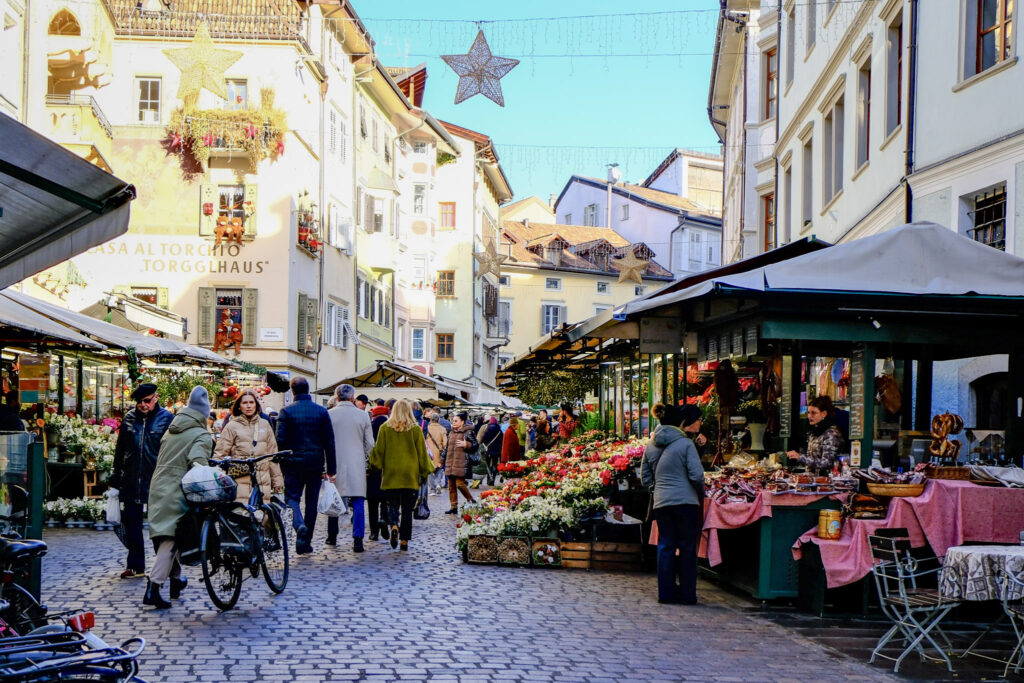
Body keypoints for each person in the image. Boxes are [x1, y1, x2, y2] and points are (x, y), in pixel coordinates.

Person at [144, 387, 215, 609]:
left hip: (158, 486)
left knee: (167, 534)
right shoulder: (202, 434)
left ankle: (176, 581)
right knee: (171, 539)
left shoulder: (172, 430)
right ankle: (153, 588)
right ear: (204, 414)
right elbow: (197, 462)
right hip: (178, 489)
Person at [640, 404, 704, 605]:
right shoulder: (686, 445)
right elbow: (697, 475)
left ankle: (665, 594)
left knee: (665, 546)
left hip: (662, 503)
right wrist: (698, 492)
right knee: (686, 547)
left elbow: (645, 477)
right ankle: (687, 594)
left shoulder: (651, 445)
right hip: (686, 502)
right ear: (681, 423)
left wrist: (658, 489)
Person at [108, 383, 173, 579]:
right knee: (132, 523)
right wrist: (115, 473)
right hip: (131, 477)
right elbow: (121, 449)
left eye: (147, 401)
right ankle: (135, 565)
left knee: (158, 525)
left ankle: (162, 567)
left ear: (156, 398)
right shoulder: (129, 419)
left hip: (156, 478)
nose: (143, 405)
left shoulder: (167, 419)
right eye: (139, 402)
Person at [275, 377, 336, 555]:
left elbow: (280, 440)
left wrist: (280, 461)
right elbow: (329, 441)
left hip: (292, 463)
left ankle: (299, 524)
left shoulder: (286, 411)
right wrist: (332, 468)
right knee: (311, 503)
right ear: (308, 390)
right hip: (315, 463)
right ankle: (306, 542)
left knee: (292, 498)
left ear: (292, 391)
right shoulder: (321, 412)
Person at [368, 399, 435, 551]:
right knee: (406, 508)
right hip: (410, 474)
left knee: (392, 504)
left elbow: (378, 451)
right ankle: (404, 540)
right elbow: (422, 454)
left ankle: (394, 526)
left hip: (391, 473)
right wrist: (425, 471)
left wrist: (374, 465)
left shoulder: (385, 428)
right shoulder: (416, 429)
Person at [213, 389, 282, 505]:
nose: (249, 406)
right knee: (241, 515)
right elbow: (220, 454)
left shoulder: (265, 425)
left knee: (262, 517)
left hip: (262, 481)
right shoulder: (232, 426)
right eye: (245, 403)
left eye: (251, 402)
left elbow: (273, 456)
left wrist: (277, 481)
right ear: (239, 406)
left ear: (256, 405)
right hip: (240, 480)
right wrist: (217, 479)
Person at [327, 384, 374, 552]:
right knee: (359, 501)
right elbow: (369, 444)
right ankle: (358, 540)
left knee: (334, 499)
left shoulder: (329, 415)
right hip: (357, 463)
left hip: (335, 463)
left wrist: (325, 465)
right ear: (353, 398)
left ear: (337, 397)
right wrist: (369, 463)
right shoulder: (363, 416)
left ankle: (332, 536)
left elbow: (326, 442)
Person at [787, 396, 845, 474]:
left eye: (813, 413)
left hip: (826, 481)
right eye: (808, 412)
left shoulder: (831, 434)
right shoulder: (814, 432)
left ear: (824, 414)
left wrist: (800, 457)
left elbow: (826, 463)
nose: (809, 416)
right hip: (813, 480)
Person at [442, 411, 478, 513]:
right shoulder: (451, 432)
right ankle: (453, 507)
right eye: (453, 420)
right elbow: (447, 447)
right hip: (450, 462)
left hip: (461, 463)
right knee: (451, 486)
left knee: (460, 484)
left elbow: (475, 445)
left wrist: (466, 444)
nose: (453, 422)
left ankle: (471, 500)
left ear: (462, 422)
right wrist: (441, 460)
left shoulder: (468, 432)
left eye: (456, 420)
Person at [424, 413, 449, 495]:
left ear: (431, 420)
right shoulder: (443, 429)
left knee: (430, 471)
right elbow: (445, 443)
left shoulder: (427, 428)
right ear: (438, 420)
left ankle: (432, 490)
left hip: (429, 453)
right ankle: (438, 483)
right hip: (439, 453)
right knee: (439, 469)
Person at [480, 417, 503, 485]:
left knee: (487, 464)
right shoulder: (499, 431)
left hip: (488, 450)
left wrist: (486, 445)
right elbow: (502, 440)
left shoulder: (487, 430)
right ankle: (493, 478)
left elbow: (483, 439)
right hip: (497, 451)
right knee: (495, 464)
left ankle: (489, 478)